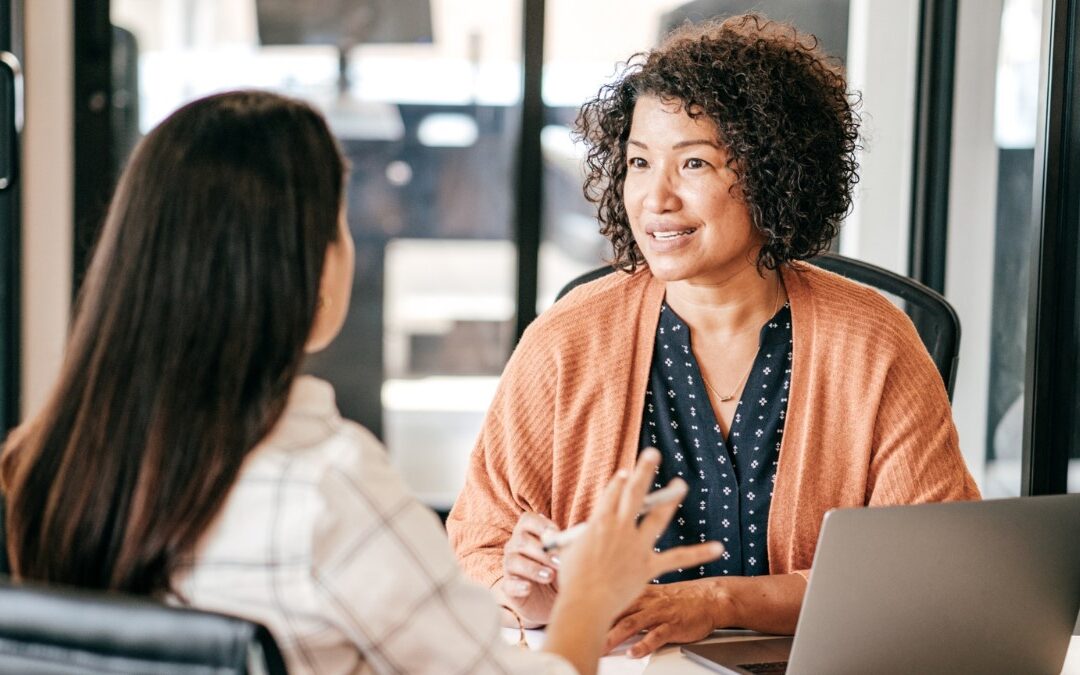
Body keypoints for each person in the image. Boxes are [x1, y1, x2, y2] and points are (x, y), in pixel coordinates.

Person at [0, 90, 721, 675]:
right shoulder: (328, 488)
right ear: (306, 268)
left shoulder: (46, 466)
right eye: (340, 223)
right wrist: (589, 595)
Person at [447, 14, 980, 658]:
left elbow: (925, 572)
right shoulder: (566, 339)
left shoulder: (873, 341)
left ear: (773, 172)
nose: (655, 198)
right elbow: (479, 545)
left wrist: (720, 601)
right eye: (639, 162)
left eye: (693, 162)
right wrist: (527, 593)